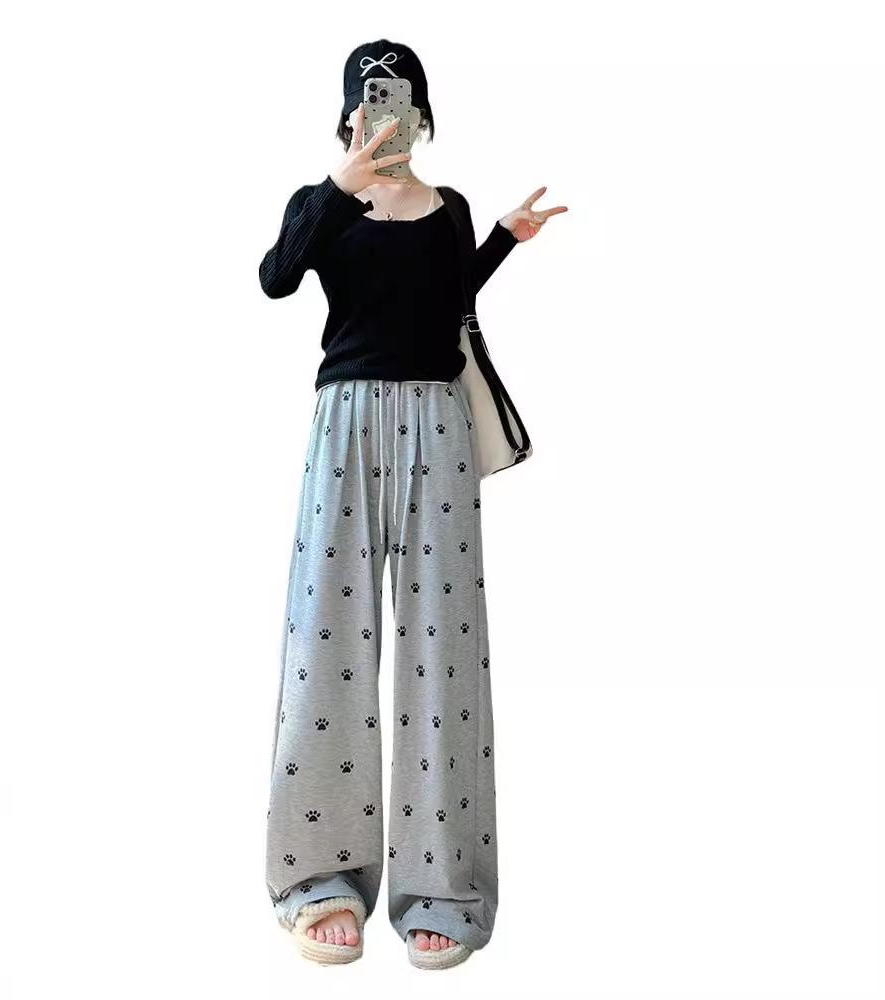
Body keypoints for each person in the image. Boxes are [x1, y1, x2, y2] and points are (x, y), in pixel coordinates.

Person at [259, 39, 567, 969]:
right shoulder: (319, 203)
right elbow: (276, 277)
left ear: (421, 113)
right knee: (326, 639)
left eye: (398, 103)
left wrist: (500, 240)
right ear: (348, 114)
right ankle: (320, 876)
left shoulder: (450, 207)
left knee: (443, 646)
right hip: (345, 422)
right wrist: (336, 186)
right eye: (369, 103)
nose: (384, 117)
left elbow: (447, 299)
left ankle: (442, 884)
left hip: (436, 420)